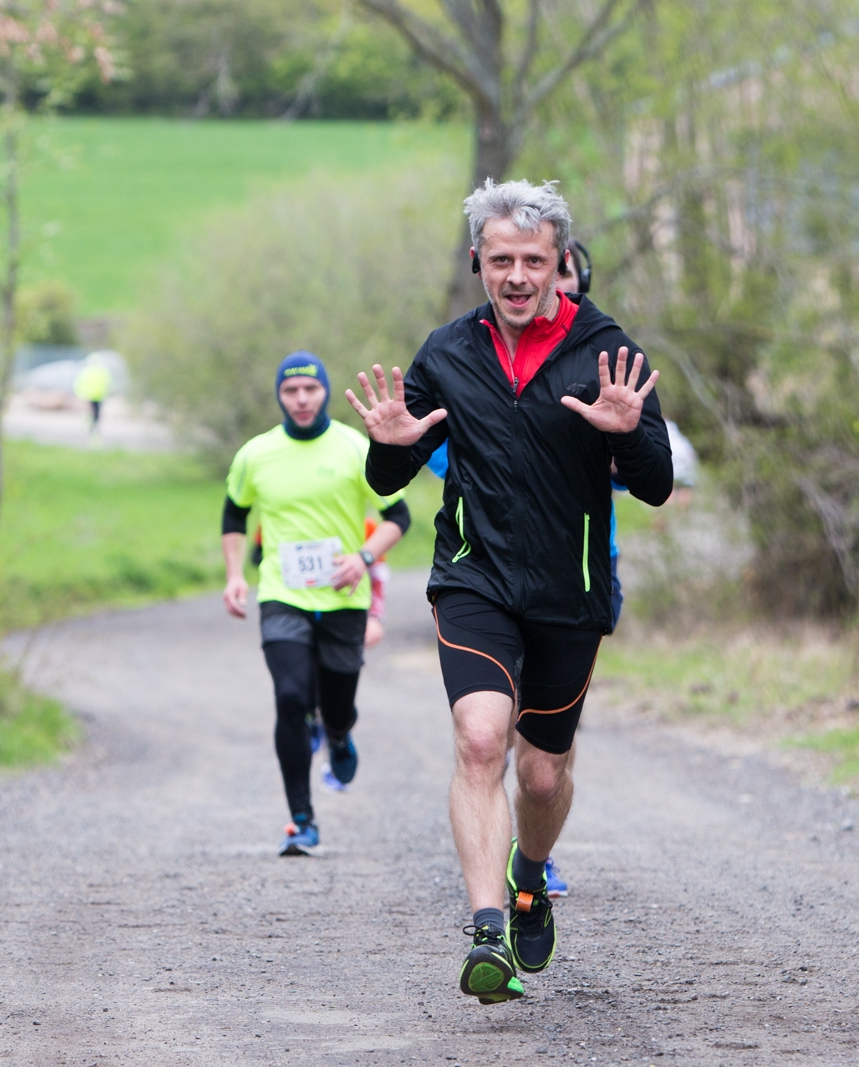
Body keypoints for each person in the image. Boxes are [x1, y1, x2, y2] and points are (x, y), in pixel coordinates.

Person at [347, 180, 671, 1004]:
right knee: (481, 739)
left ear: (562, 263)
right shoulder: (448, 352)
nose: (518, 275)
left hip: (570, 588)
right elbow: (395, 465)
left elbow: (659, 483)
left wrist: (631, 434)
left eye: (534, 260)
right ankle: (488, 927)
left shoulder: (606, 350)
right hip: (475, 578)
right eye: (502, 261)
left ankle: (529, 876)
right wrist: (385, 449)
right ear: (477, 266)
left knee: (540, 775)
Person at [221, 350, 411, 856]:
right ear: (279, 396)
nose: (301, 399)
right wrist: (236, 575)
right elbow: (234, 516)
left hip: (344, 597)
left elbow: (400, 516)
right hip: (282, 594)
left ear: (324, 391)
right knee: (289, 696)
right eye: (291, 391)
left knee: (338, 702)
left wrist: (363, 558)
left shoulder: (354, 447)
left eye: (310, 389)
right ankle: (302, 820)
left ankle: (340, 734)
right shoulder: (255, 454)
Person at [73, 353, 113, 438]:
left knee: (92, 414)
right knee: (95, 414)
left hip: (91, 396)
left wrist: (80, 394)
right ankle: (92, 428)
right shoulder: (102, 372)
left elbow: (78, 384)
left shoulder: (86, 371)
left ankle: (91, 427)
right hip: (96, 396)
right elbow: (109, 384)